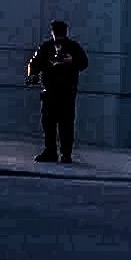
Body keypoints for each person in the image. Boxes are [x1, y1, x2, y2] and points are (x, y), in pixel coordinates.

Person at [26, 20, 89, 164]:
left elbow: (84, 63)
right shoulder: (47, 47)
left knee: (65, 123)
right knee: (49, 123)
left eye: (60, 33)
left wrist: (72, 61)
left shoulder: (73, 47)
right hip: (50, 91)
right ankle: (51, 151)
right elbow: (34, 62)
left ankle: (65, 153)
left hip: (67, 92)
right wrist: (32, 74)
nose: (58, 36)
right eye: (56, 33)